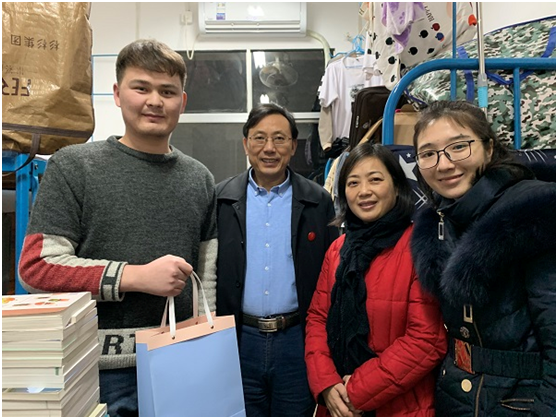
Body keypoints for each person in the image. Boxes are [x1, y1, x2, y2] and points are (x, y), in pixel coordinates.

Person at [18, 39, 218, 417]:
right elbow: (37, 267)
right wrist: (136, 276)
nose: (154, 101)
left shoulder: (200, 178)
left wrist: (203, 347)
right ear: (117, 93)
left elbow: (206, 278)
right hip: (97, 372)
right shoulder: (73, 167)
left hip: (180, 363)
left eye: (167, 92)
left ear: (182, 102)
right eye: (141, 88)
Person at [410, 100, 556, 416]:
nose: (444, 164)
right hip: (458, 395)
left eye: (458, 147)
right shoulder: (443, 218)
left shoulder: (532, 215)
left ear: (489, 148)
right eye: (428, 153)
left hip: (520, 401)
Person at [305, 142, 447, 417]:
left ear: (396, 186)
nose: (364, 191)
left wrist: (356, 391)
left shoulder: (418, 247)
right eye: (353, 183)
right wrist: (326, 383)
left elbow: (427, 339)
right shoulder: (338, 249)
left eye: (375, 180)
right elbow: (317, 318)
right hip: (337, 404)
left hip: (400, 407)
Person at [216, 103, 339, 416]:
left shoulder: (318, 200)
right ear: (246, 144)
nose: (269, 148)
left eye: (279, 139)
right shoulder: (221, 199)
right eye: (259, 138)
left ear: (293, 146)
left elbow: (332, 277)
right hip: (238, 339)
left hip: (296, 340)